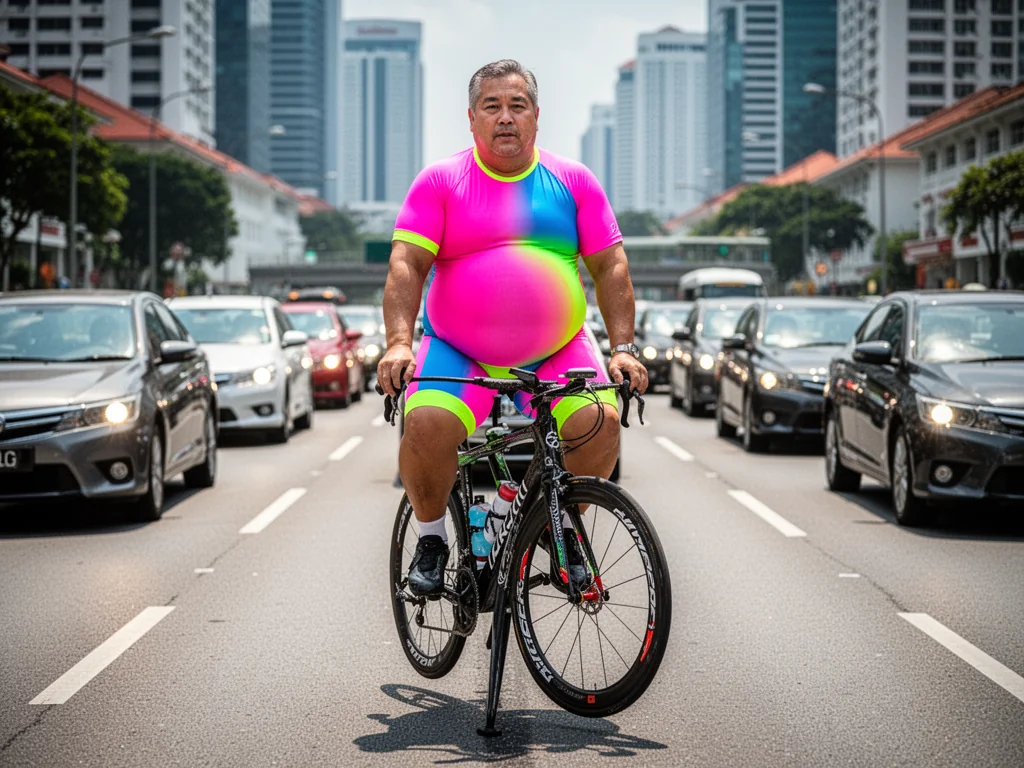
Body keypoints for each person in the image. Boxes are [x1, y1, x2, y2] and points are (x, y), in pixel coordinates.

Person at [377, 59, 648, 596]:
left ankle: (563, 527)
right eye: (493, 107)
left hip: (555, 348)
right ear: (472, 119)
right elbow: (407, 264)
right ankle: (432, 539)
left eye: (517, 106)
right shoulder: (440, 181)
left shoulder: (573, 181)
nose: (506, 118)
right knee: (426, 421)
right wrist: (398, 344)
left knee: (600, 421)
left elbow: (611, 267)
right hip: (459, 348)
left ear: (536, 117)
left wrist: (623, 349)